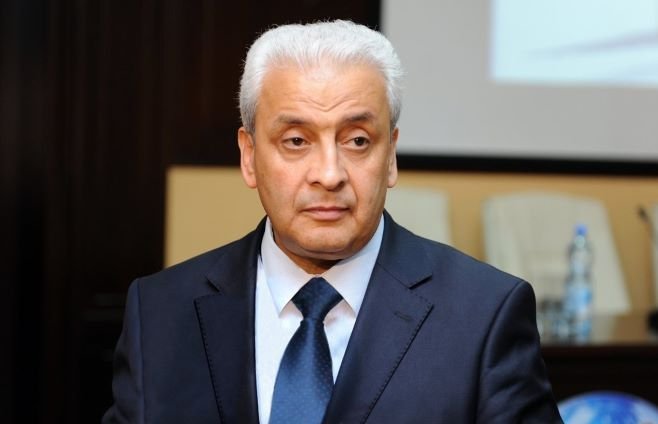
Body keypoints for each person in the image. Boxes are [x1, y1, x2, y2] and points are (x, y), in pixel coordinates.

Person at [103, 20, 562, 424]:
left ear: (390, 156)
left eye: (357, 141)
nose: (329, 174)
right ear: (249, 156)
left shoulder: (484, 315)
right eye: (296, 140)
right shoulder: (160, 312)